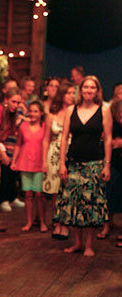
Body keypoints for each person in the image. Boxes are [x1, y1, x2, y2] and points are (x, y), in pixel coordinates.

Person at [54, 75, 112, 256]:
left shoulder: (104, 110)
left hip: (94, 163)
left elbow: (108, 139)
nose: (88, 90)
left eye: (92, 87)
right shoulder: (71, 109)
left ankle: (88, 245)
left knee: (91, 205)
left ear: (97, 90)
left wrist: (107, 165)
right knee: (73, 205)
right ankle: (77, 243)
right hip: (73, 162)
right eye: (85, 87)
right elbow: (64, 138)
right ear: (81, 90)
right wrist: (62, 163)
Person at [42, 81, 76, 239]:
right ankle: (56, 220)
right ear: (62, 95)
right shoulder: (52, 115)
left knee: (68, 190)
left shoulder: (77, 112)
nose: (71, 96)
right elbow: (46, 139)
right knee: (55, 190)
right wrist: (43, 160)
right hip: (54, 153)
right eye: (68, 92)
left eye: (73, 93)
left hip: (72, 152)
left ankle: (67, 222)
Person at [11, 100, 47, 232]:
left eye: (36, 111)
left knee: (38, 193)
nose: (32, 114)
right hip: (25, 162)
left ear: (41, 113)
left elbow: (46, 144)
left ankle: (42, 221)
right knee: (27, 193)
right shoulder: (23, 127)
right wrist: (14, 160)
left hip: (38, 162)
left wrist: (45, 162)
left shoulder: (44, 127)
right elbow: (18, 144)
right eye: (31, 111)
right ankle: (29, 221)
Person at [97, 99, 122, 243]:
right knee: (109, 195)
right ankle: (106, 226)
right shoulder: (113, 125)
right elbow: (107, 140)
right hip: (114, 163)